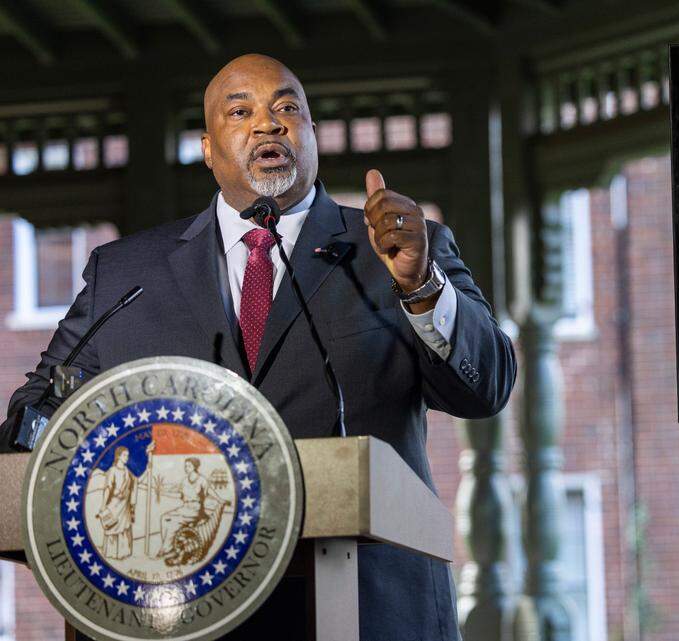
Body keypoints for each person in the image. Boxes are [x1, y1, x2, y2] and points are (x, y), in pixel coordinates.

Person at [2, 53, 516, 640]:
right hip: (173, 615)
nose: (268, 124)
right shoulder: (125, 274)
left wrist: (421, 284)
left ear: (313, 135)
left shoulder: (398, 250)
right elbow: (39, 407)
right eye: (240, 111)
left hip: (365, 608)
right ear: (207, 146)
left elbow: (488, 387)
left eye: (287, 108)